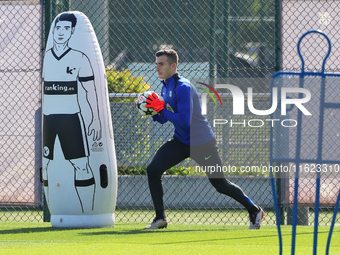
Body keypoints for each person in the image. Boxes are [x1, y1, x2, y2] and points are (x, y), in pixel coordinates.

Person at [144, 49, 264, 229]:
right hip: (181, 141)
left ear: (173, 66)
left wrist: (161, 110)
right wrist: (151, 111)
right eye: (156, 64)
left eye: (161, 64)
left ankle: (254, 210)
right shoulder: (165, 85)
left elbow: (184, 121)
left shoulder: (183, 87)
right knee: (153, 169)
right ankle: (160, 218)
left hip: (202, 144)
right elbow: (164, 118)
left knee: (220, 184)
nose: (157, 67)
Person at [42, 13, 101, 213]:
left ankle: (88, 213)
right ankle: (55, 213)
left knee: (82, 166)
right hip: (49, 120)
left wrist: (94, 119)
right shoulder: (46, 57)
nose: (60, 32)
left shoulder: (79, 57)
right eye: (58, 28)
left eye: (66, 28)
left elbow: (90, 91)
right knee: (47, 167)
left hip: (71, 120)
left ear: (72, 31)